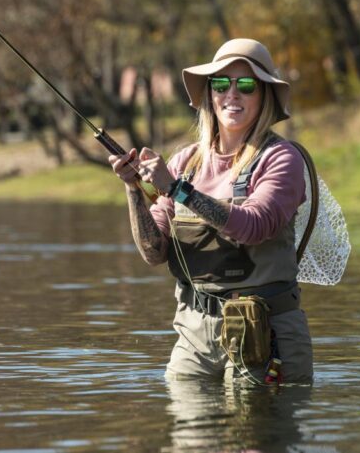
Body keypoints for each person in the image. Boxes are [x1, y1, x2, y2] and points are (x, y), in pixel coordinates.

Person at [108, 38, 313, 384]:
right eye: (221, 84)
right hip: (193, 336)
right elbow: (153, 251)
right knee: (187, 437)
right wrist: (133, 189)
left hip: (267, 338)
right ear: (210, 95)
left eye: (245, 85)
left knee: (257, 436)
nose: (232, 94)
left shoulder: (282, 159)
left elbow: (254, 226)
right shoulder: (185, 162)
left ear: (264, 96)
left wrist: (176, 189)